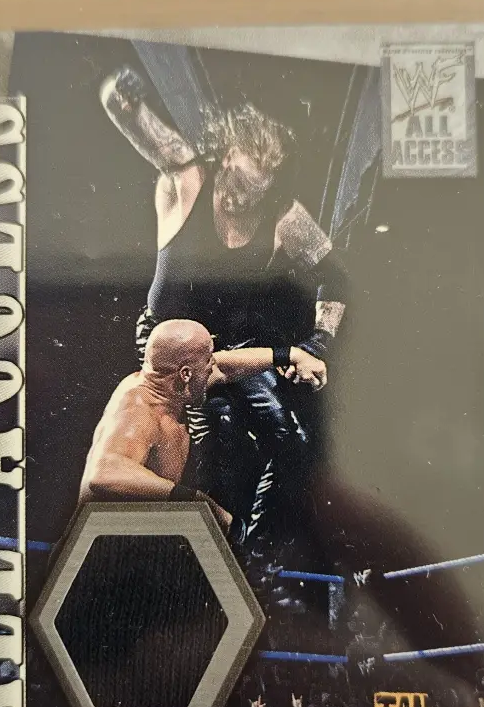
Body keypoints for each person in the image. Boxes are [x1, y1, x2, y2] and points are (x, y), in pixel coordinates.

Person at [99, 69, 347, 546]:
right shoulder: (188, 179)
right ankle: (205, 542)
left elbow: (336, 280)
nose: (236, 197)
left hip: (230, 350)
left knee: (293, 442)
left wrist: (317, 342)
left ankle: (252, 554)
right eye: (234, 180)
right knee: (216, 431)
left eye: (252, 191)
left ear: (270, 186)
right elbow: (126, 116)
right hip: (171, 347)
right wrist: (122, 94)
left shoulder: (286, 219)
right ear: (227, 156)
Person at [76, 317, 326, 537]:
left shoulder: (170, 384)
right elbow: (104, 474)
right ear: (186, 374)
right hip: (97, 551)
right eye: (207, 362)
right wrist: (198, 503)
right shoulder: (139, 409)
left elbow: (224, 367)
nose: (212, 367)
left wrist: (291, 355)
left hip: (136, 541)